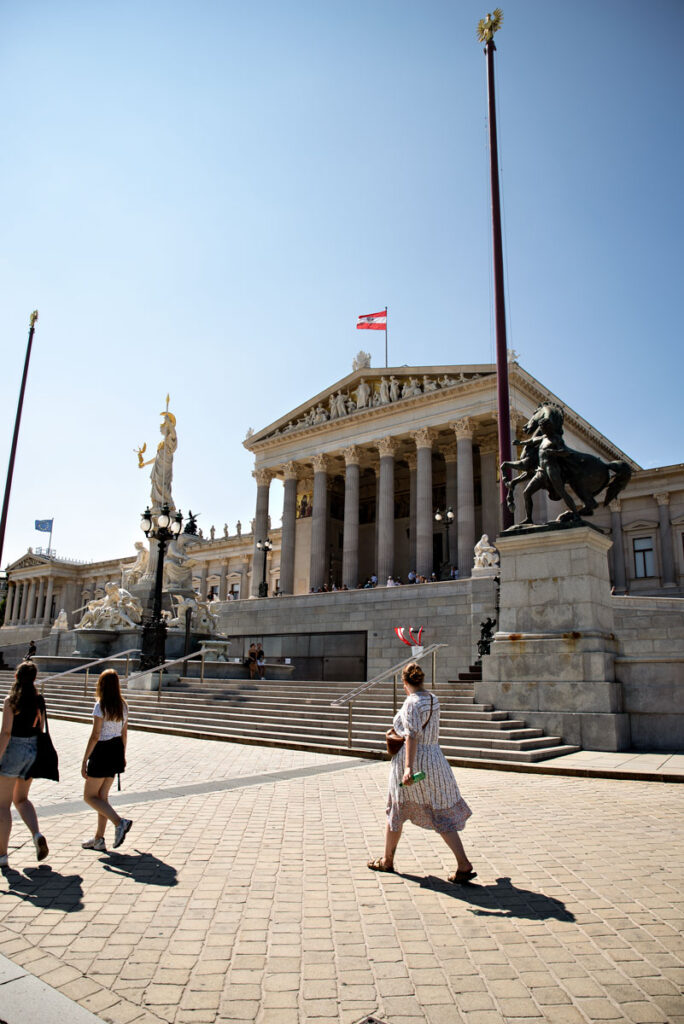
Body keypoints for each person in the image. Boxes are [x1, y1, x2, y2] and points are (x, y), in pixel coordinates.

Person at [368, 662, 475, 883]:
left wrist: (408, 767)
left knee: (396, 809)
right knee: (440, 813)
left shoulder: (411, 703)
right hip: (435, 760)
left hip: (414, 761)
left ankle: (387, 860)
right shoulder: (433, 699)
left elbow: (412, 736)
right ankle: (463, 863)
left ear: (404, 682)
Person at [0, 661, 49, 867]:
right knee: (22, 799)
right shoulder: (39, 700)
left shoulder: (12, 700)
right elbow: (42, 727)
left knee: (2, 805)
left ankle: (2, 854)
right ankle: (36, 834)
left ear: (16, 677)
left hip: (14, 751)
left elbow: (6, 732)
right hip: (32, 752)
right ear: (35, 679)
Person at [81, 669, 132, 851]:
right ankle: (99, 839)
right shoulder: (123, 705)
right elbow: (124, 733)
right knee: (102, 797)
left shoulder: (100, 705)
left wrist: (85, 759)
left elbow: (95, 735)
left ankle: (120, 822)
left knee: (89, 796)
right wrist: (122, 755)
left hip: (102, 750)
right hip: (116, 750)